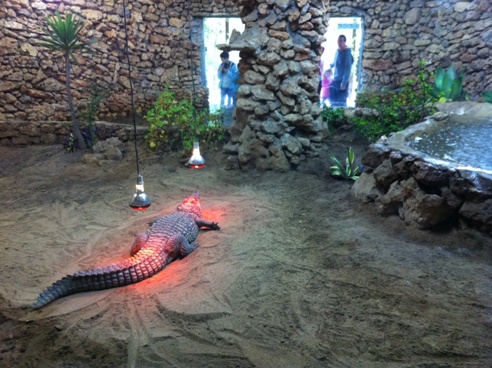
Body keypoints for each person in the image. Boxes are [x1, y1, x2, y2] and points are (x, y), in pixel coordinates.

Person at [329, 35, 354, 107]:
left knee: (341, 103)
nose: (339, 43)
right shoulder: (337, 51)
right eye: (338, 41)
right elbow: (336, 62)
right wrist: (331, 65)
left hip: (342, 82)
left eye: (340, 41)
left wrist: (344, 82)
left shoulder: (347, 53)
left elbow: (348, 68)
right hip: (336, 79)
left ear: (344, 42)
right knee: (333, 102)